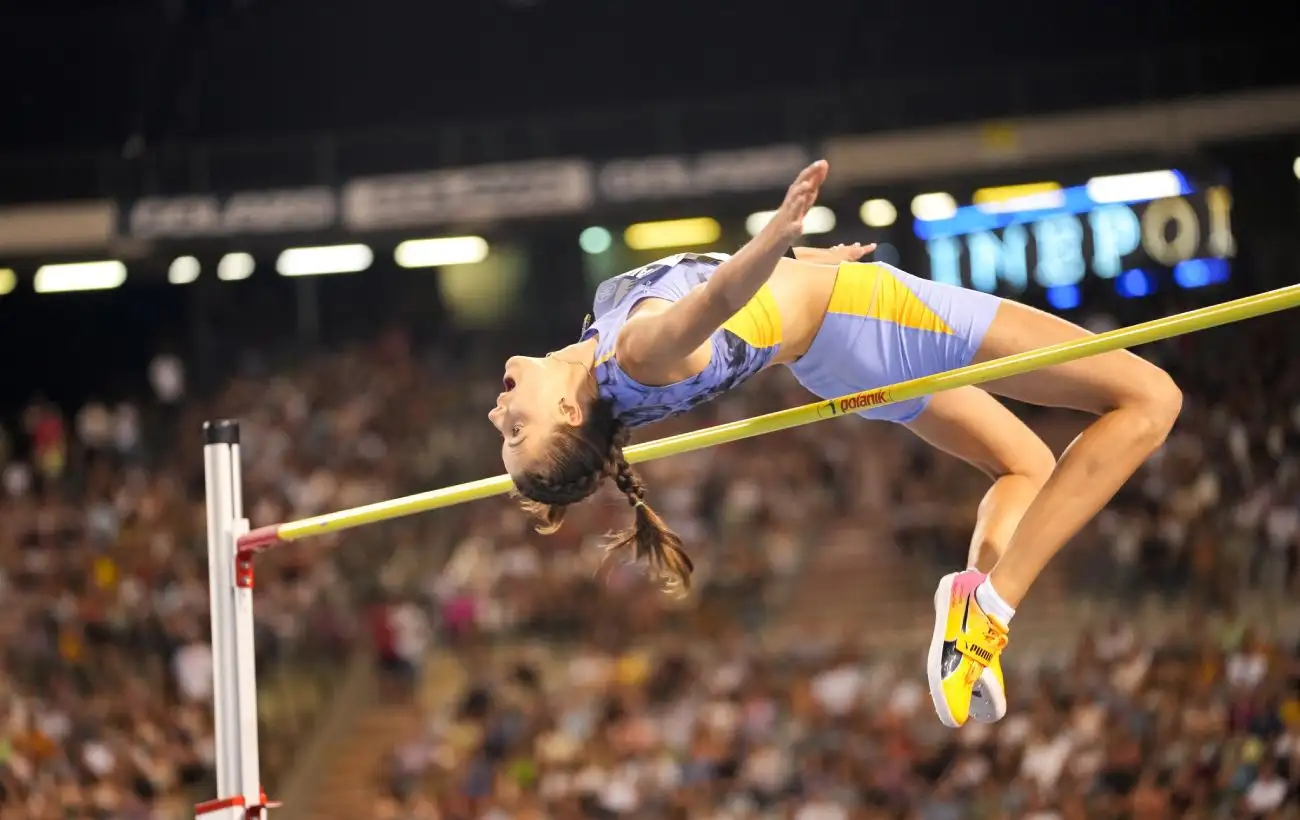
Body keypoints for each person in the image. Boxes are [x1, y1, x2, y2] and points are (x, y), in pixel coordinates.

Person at [487, 160, 1182, 728]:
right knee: (1151, 399)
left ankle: (972, 600)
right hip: (867, 317)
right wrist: (776, 240)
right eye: (519, 430)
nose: (498, 415)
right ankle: (992, 609)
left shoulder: (603, 354)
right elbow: (716, 301)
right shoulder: (636, 354)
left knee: (1024, 465)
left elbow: (730, 303)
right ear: (571, 412)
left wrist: (798, 266)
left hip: (834, 353)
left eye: (505, 431)